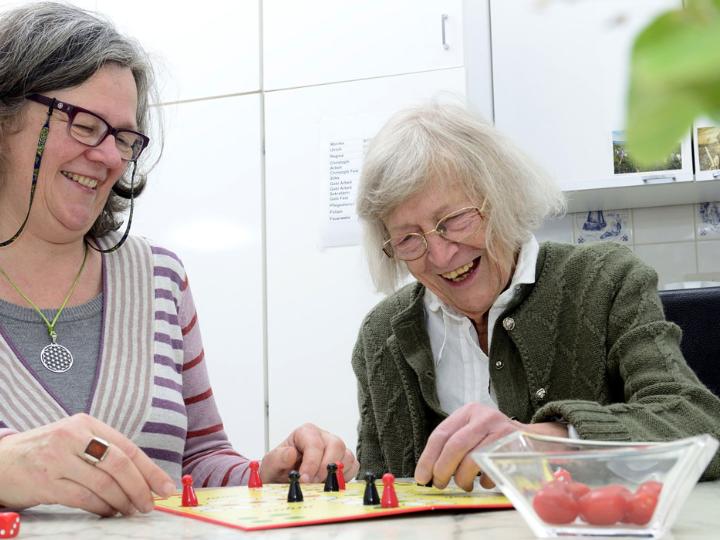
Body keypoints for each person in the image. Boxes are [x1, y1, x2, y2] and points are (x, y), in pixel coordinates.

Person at [0, 2, 358, 517]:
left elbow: (199, 460)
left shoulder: (158, 279)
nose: (107, 157)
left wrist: (269, 475)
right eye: (82, 124)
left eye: (124, 138)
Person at [352, 101, 720, 491]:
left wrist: (545, 441)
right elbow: (375, 485)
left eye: (455, 220)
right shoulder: (382, 334)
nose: (441, 255)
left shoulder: (606, 281)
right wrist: (325, 475)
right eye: (409, 238)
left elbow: (700, 425)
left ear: (501, 197)